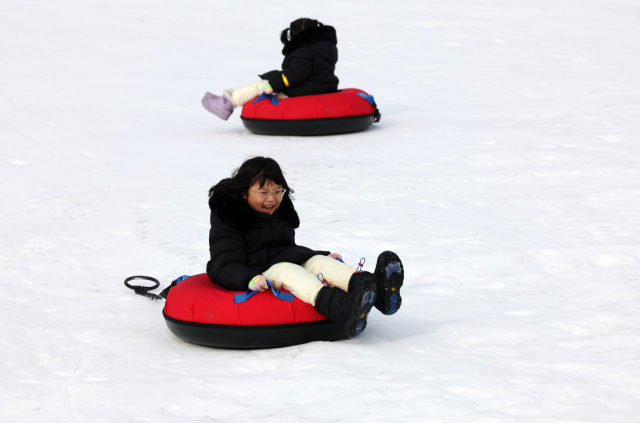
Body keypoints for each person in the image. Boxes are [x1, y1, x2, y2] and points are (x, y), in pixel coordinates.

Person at [206, 157, 404, 339]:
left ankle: (378, 289)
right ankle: (344, 308)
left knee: (317, 262)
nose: (272, 199)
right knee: (287, 270)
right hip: (258, 272)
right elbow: (225, 262)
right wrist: (249, 278)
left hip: (279, 261)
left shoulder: (279, 213)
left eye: (277, 191)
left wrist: (322, 256)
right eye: (263, 192)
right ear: (244, 192)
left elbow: (286, 249)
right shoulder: (228, 218)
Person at [202, 18, 339, 120]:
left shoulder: (303, 51)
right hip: (321, 87)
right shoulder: (325, 48)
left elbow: (295, 74)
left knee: (260, 85)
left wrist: (273, 84)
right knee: (272, 77)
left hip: (302, 91)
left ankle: (225, 105)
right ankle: (228, 98)